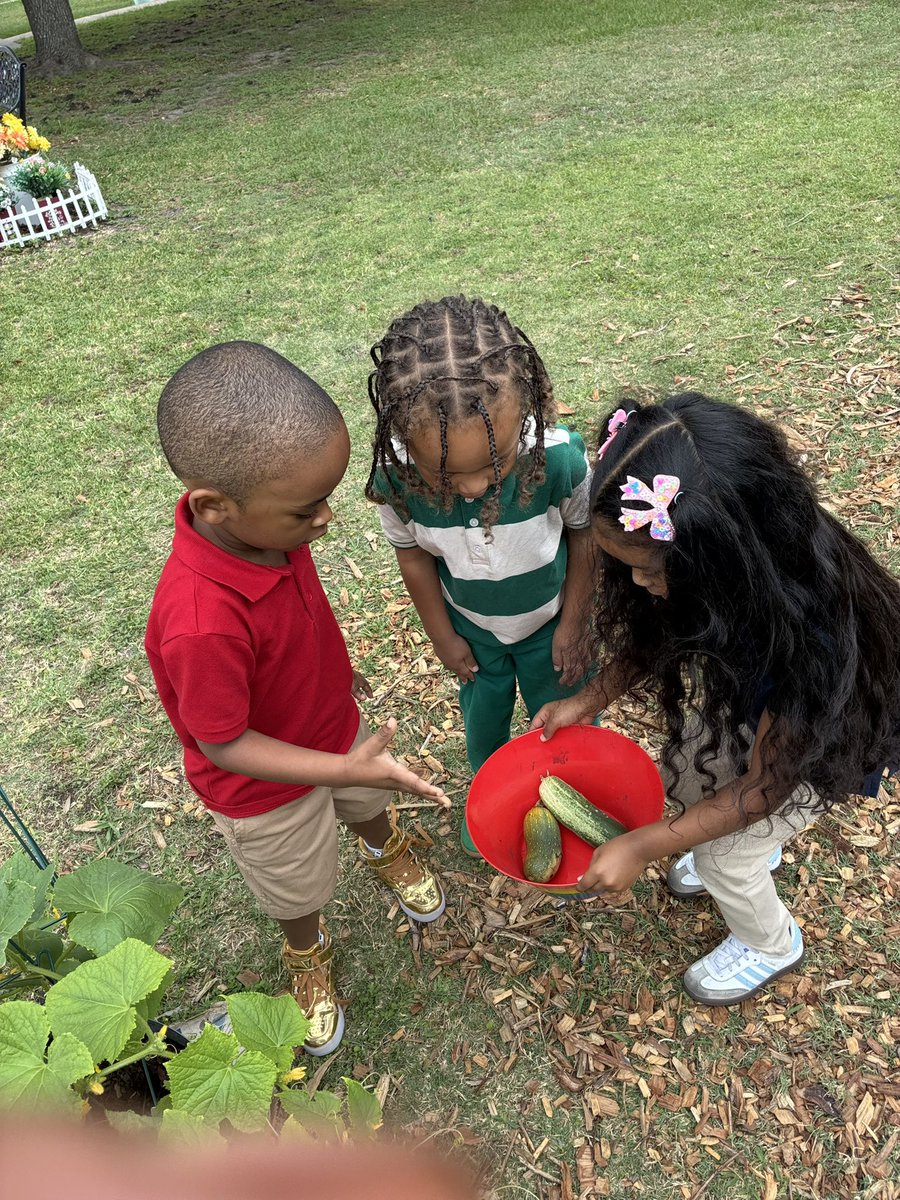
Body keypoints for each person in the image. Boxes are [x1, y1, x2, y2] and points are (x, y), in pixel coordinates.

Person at [532, 392, 900, 1005]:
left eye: (650, 571)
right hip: (763, 712)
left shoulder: (816, 638)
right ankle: (736, 851)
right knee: (694, 770)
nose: (641, 586)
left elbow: (766, 785)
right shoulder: (742, 571)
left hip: (816, 741)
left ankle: (771, 943)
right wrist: (588, 696)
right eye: (626, 570)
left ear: (725, 564)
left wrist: (648, 843)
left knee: (729, 855)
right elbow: (656, 641)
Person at [145, 341, 449, 1056]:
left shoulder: (269, 529)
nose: (324, 523)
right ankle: (306, 954)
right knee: (296, 885)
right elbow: (223, 740)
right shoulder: (199, 619)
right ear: (214, 506)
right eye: (306, 511)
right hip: (258, 790)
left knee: (368, 805)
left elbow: (299, 616)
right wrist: (344, 768)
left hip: (331, 725)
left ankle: (387, 850)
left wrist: (339, 678)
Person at [366, 295, 596, 856]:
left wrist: (573, 623)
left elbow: (586, 535)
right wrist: (443, 637)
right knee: (484, 727)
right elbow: (413, 555)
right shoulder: (396, 481)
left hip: (551, 627)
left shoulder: (558, 459)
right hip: (473, 634)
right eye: (445, 473)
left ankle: (573, 798)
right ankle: (491, 797)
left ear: (528, 413)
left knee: (563, 725)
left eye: (494, 466)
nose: (471, 488)